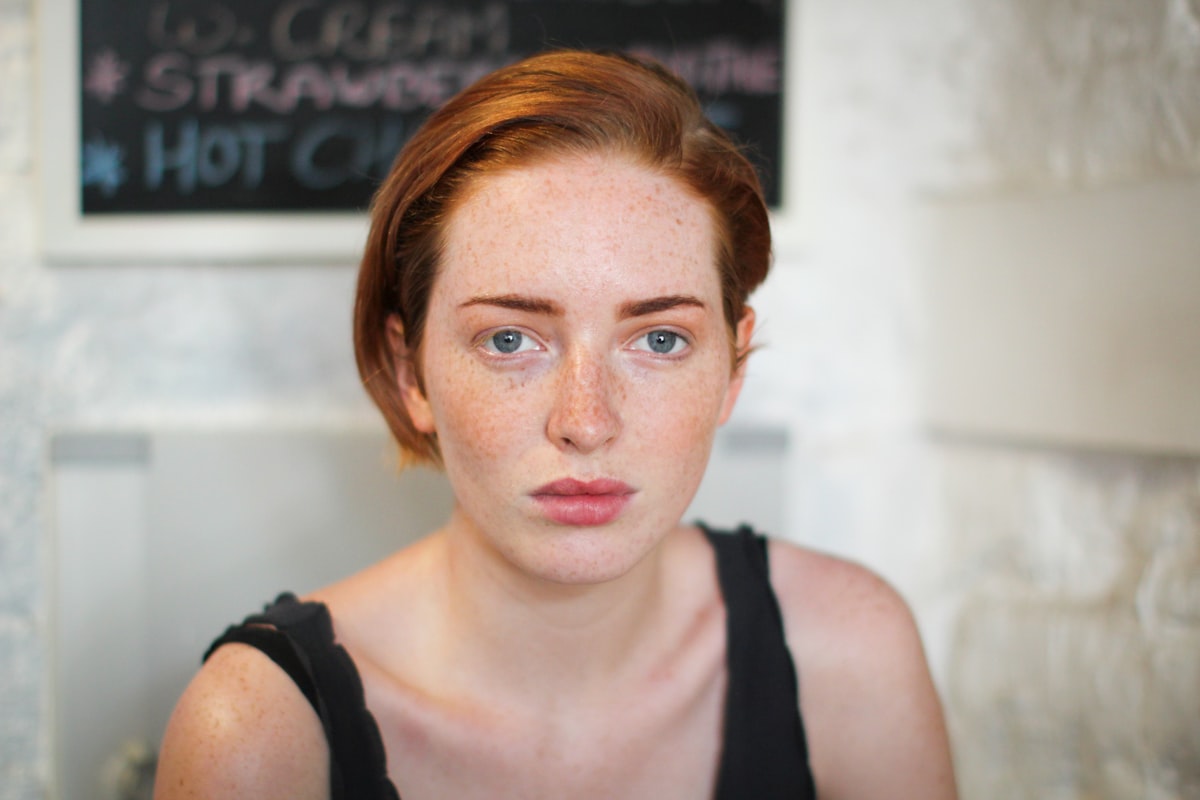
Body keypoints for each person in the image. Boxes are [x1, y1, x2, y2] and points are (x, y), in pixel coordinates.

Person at [154, 50, 957, 799]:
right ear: (411, 373)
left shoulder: (849, 652)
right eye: (510, 340)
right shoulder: (257, 730)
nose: (586, 423)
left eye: (660, 340)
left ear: (732, 370)